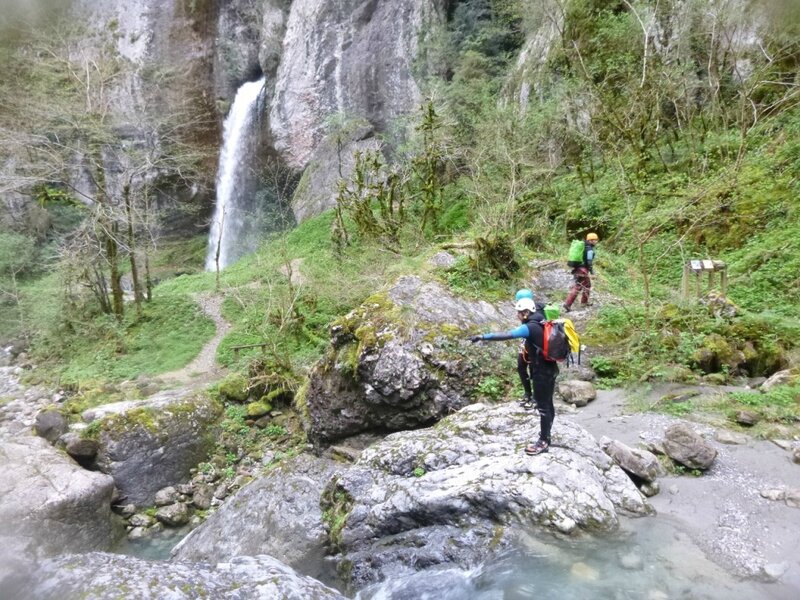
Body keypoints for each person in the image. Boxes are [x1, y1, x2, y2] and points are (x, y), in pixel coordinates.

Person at [469, 297, 558, 455]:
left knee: (543, 407)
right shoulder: (542, 319)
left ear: (525, 313)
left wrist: (482, 337)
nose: (517, 315)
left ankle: (543, 441)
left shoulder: (530, 327)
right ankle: (547, 435)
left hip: (541, 372)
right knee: (548, 403)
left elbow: (506, 335)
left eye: (518, 313)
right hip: (551, 368)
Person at [513, 289, 544, 410]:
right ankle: (528, 394)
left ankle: (534, 397)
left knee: (533, 371)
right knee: (521, 367)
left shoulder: (534, 311)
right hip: (526, 343)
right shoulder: (529, 309)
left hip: (533, 345)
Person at [563, 232, 599, 312]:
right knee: (578, 286)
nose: (596, 241)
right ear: (590, 240)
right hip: (583, 270)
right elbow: (589, 262)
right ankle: (568, 304)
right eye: (595, 240)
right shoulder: (589, 249)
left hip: (578, 269)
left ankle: (584, 302)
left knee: (587, 285)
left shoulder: (583, 247)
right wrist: (592, 272)